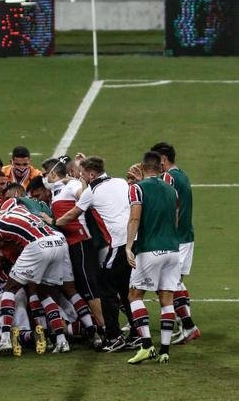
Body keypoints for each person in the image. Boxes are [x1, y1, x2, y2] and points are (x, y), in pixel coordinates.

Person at [53, 155, 138, 351]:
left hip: (119, 244)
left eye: (82, 174)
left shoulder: (91, 191)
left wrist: (52, 222)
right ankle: (136, 332)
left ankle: (115, 336)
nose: (80, 177)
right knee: (126, 289)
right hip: (135, 241)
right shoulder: (120, 182)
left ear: (91, 174)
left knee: (106, 289)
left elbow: (72, 214)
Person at [0, 199, 73, 355]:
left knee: (10, 288)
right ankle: (61, 340)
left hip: (37, 245)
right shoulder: (24, 213)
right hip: (57, 243)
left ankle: (5, 339)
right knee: (43, 292)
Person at [125, 150, 181, 365]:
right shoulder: (171, 190)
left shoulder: (136, 189)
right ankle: (165, 350)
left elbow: (134, 219)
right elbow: (175, 219)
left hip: (150, 250)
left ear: (142, 166)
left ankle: (147, 346)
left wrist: (129, 247)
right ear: (160, 167)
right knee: (166, 298)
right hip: (173, 251)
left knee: (135, 295)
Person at [43, 158, 104, 349]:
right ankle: (95, 327)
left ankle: (104, 329)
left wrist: (79, 181)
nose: (44, 178)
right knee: (81, 287)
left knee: (90, 287)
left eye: (45, 174)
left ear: (53, 174)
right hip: (71, 245)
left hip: (81, 243)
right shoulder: (57, 190)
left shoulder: (72, 185)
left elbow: (87, 196)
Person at [151, 140, 200, 344]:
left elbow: (166, 205)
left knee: (170, 284)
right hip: (185, 236)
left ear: (163, 159)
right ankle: (185, 324)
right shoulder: (182, 175)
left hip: (175, 239)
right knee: (175, 282)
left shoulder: (168, 177)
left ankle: (189, 326)